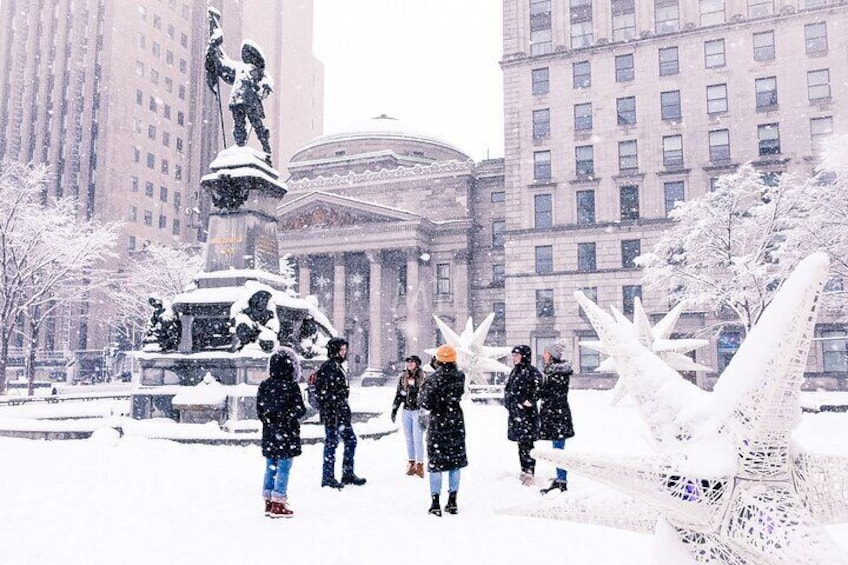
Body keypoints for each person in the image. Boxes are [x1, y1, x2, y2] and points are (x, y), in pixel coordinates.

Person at [206, 15, 274, 156]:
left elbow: (268, 82)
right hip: (237, 99)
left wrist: (265, 88)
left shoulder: (259, 71)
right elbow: (224, 64)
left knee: (257, 124)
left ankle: (265, 147)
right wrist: (214, 49)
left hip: (251, 101)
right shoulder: (238, 67)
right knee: (239, 124)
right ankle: (240, 146)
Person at [256, 347, 307, 518]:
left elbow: (260, 410)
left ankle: (268, 500)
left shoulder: (265, 385)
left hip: (270, 433)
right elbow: (300, 410)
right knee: (284, 467)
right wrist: (287, 417)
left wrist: (271, 420)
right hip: (287, 433)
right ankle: (279, 502)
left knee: (271, 466)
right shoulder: (291, 387)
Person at [419, 345, 467, 516]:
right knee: (455, 462)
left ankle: (435, 503)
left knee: (436, 464)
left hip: (438, 421)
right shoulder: (460, 376)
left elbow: (425, 403)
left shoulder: (433, 379)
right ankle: (452, 501)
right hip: (455, 421)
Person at [315, 337, 366, 489]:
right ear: (334, 350)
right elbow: (325, 393)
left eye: (345, 349)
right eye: (341, 349)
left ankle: (347, 473)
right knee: (332, 443)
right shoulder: (329, 367)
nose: (344, 352)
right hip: (334, 413)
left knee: (349, 441)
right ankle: (329, 477)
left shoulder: (337, 366)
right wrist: (333, 409)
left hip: (340, 412)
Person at [538, 342, 575, 494]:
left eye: (546, 353)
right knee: (557, 449)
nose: (543, 355)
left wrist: (538, 389)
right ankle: (560, 479)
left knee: (559, 450)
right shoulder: (552, 372)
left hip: (557, 416)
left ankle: (562, 481)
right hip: (556, 415)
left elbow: (550, 394)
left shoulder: (557, 373)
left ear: (552, 355)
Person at [504, 344, 541, 486]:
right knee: (521, 444)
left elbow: (540, 388)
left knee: (528, 444)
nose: (514, 358)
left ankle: (530, 471)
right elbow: (508, 390)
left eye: (517, 355)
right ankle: (524, 470)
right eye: (513, 355)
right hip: (516, 414)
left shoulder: (531, 371)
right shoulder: (515, 371)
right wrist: (509, 403)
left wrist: (530, 401)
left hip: (527, 415)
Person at [390, 355, 427, 478]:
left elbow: (427, 394)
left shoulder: (423, 376)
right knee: (409, 439)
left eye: (412, 362)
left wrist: (416, 393)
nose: (410, 364)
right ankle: (411, 463)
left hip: (418, 411)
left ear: (417, 364)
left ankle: (420, 465)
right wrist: (394, 409)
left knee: (417, 439)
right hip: (406, 411)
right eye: (408, 362)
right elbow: (398, 394)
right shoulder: (403, 377)